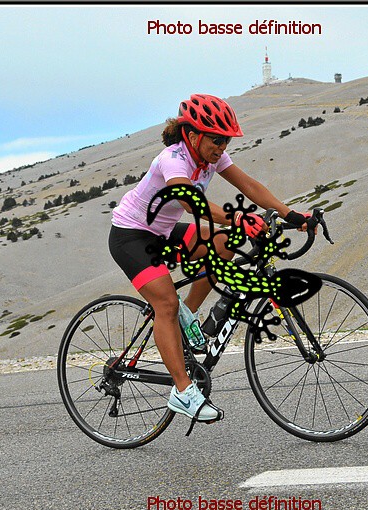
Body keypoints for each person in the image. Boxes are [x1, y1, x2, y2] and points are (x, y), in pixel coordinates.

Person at [109, 94, 309, 424]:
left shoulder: (212, 157)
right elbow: (190, 203)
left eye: (226, 140)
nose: (222, 146)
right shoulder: (173, 159)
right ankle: (183, 392)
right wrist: (238, 218)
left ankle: (187, 318)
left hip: (163, 231)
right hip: (131, 236)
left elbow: (249, 185)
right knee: (165, 304)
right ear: (192, 135)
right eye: (216, 139)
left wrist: (292, 215)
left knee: (227, 244)